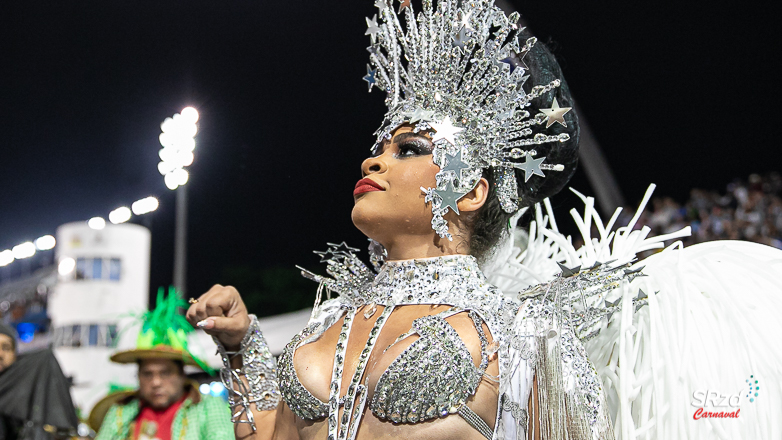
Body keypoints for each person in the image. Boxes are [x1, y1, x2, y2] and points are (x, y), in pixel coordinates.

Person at [187, 1, 782, 439]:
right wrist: (241, 350)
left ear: (469, 192)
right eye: (381, 146)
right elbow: (269, 434)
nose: (374, 158)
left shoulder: (524, 336)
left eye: (409, 149)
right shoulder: (326, 329)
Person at [93, 289, 233, 440]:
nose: (156, 382)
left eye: (165, 373)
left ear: (181, 375)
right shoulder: (121, 411)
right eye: (147, 374)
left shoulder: (208, 407)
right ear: (138, 376)